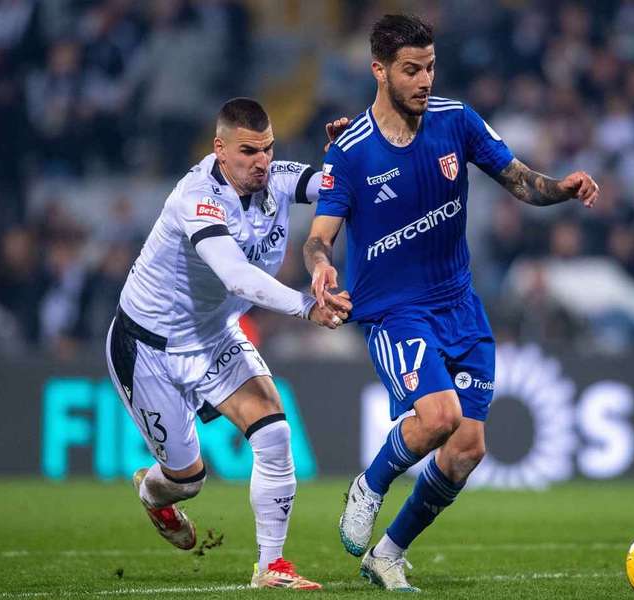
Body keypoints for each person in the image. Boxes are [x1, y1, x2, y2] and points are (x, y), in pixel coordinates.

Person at [304, 15, 598, 591]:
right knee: (438, 418)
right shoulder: (350, 150)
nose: (423, 80)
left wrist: (560, 188)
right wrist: (320, 268)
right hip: (394, 310)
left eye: (430, 67)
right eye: (411, 69)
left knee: (467, 448)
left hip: (460, 305)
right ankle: (369, 484)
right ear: (379, 71)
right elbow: (319, 236)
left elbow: (514, 177)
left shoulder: (456, 120)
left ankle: (387, 552)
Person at [105, 97, 351, 590]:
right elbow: (238, 277)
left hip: (215, 336)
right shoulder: (195, 198)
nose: (261, 161)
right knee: (187, 478)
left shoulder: (275, 177)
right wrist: (307, 306)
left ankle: (271, 568)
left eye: (267, 148)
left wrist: (346, 156)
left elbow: (338, 188)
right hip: (148, 347)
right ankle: (155, 495)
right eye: (247, 151)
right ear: (220, 149)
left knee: (275, 434)